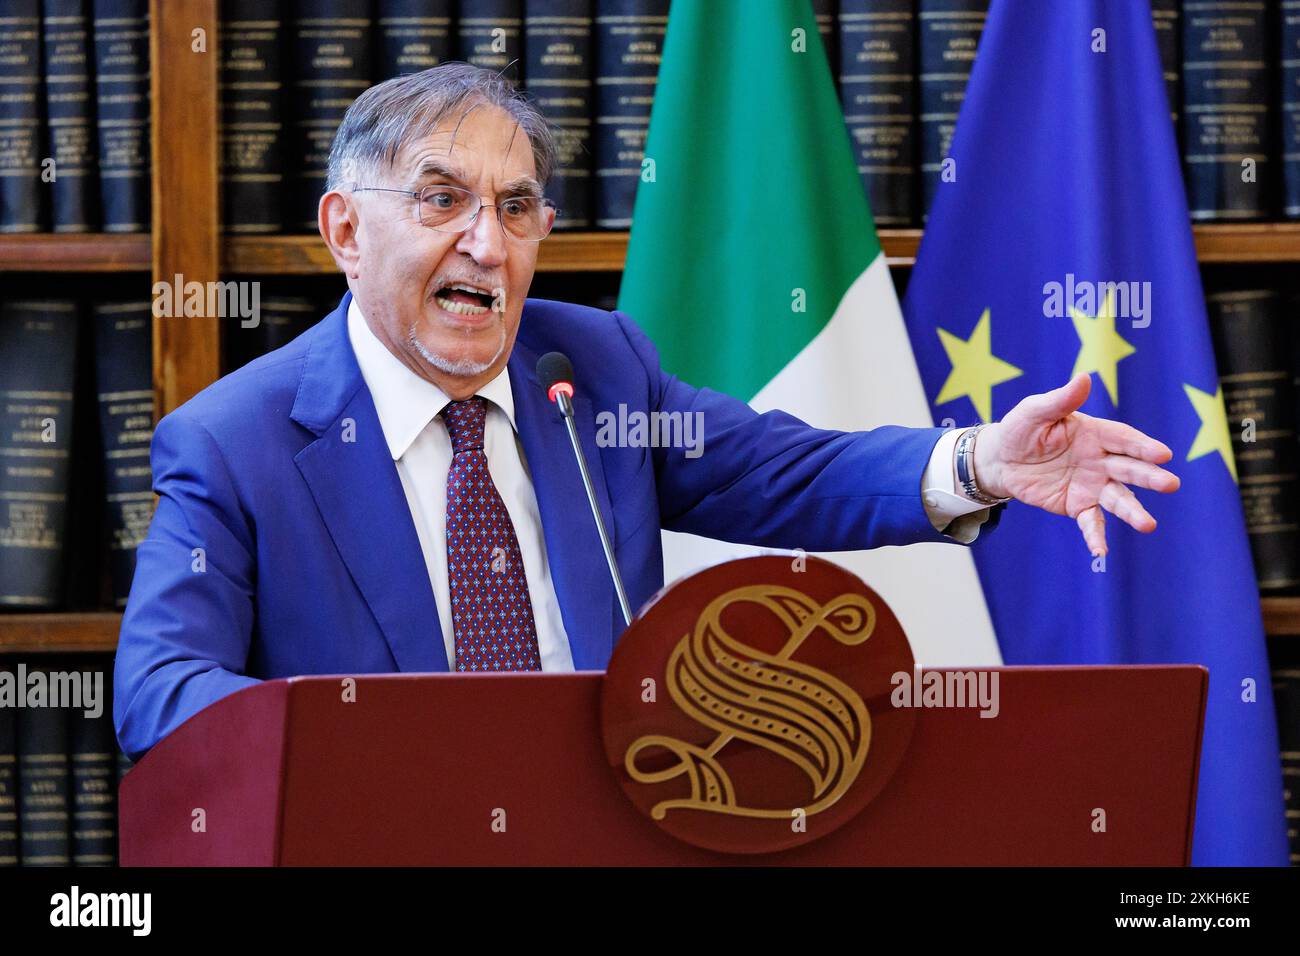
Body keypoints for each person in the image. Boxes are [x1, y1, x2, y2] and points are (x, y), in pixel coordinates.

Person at [113, 64, 1178, 760]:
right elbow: (158, 691)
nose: (487, 244)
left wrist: (983, 460)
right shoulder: (236, 442)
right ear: (345, 228)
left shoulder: (594, 369)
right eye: (442, 201)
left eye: (517, 208)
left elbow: (784, 471)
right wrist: (365, 741)